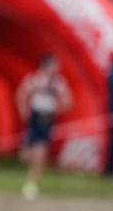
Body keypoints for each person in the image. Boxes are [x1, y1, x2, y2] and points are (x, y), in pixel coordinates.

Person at [15, 52, 71, 200]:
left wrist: (55, 109)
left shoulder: (58, 83)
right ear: (47, 65)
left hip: (47, 119)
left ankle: (31, 183)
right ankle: (32, 177)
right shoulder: (35, 80)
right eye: (55, 65)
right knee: (27, 154)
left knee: (41, 151)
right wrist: (24, 110)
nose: (57, 68)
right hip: (34, 117)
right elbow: (21, 93)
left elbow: (68, 101)